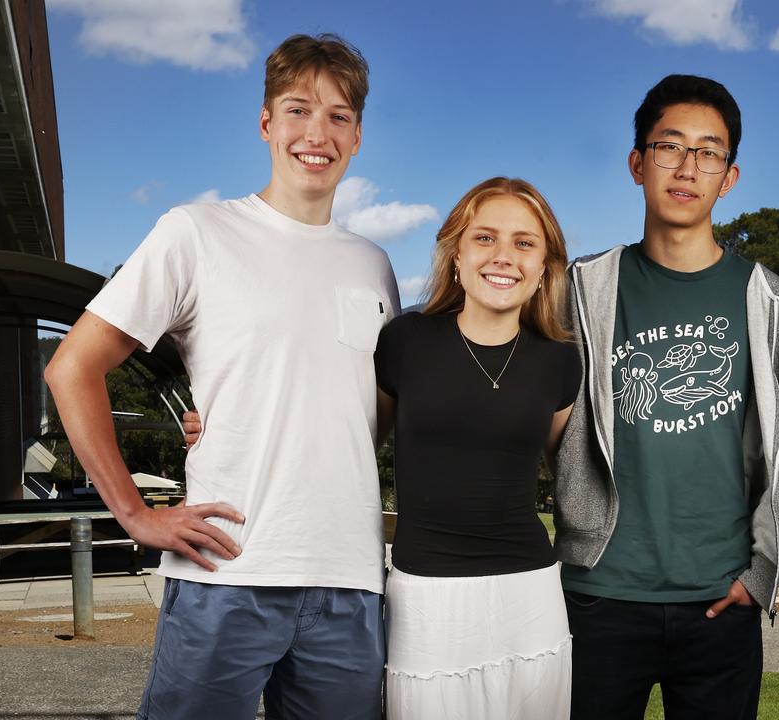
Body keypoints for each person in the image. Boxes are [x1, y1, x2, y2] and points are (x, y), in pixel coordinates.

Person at [44, 34, 398, 720]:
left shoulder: (374, 265)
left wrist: (246, 416)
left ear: (358, 137)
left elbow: (370, 410)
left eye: (338, 116)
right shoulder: (197, 232)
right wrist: (135, 513)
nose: (316, 133)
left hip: (349, 581)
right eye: (298, 110)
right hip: (226, 573)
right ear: (266, 123)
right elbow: (72, 367)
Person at [186, 176, 580, 719]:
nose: (504, 256)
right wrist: (230, 425)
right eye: (485, 238)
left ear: (544, 267)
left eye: (524, 243)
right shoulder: (405, 341)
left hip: (531, 593)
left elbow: (573, 470)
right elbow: (343, 434)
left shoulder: (561, 361)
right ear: (457, 255)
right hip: (427, 597)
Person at [553, 74, 779, 719]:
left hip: (721, 606)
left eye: (708, 151)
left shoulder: (774, 307)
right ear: (637, 163)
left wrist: (761, 575)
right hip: (599, 596)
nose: (687, 166)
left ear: (729, 177)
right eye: (669, 146)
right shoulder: (579, 293)